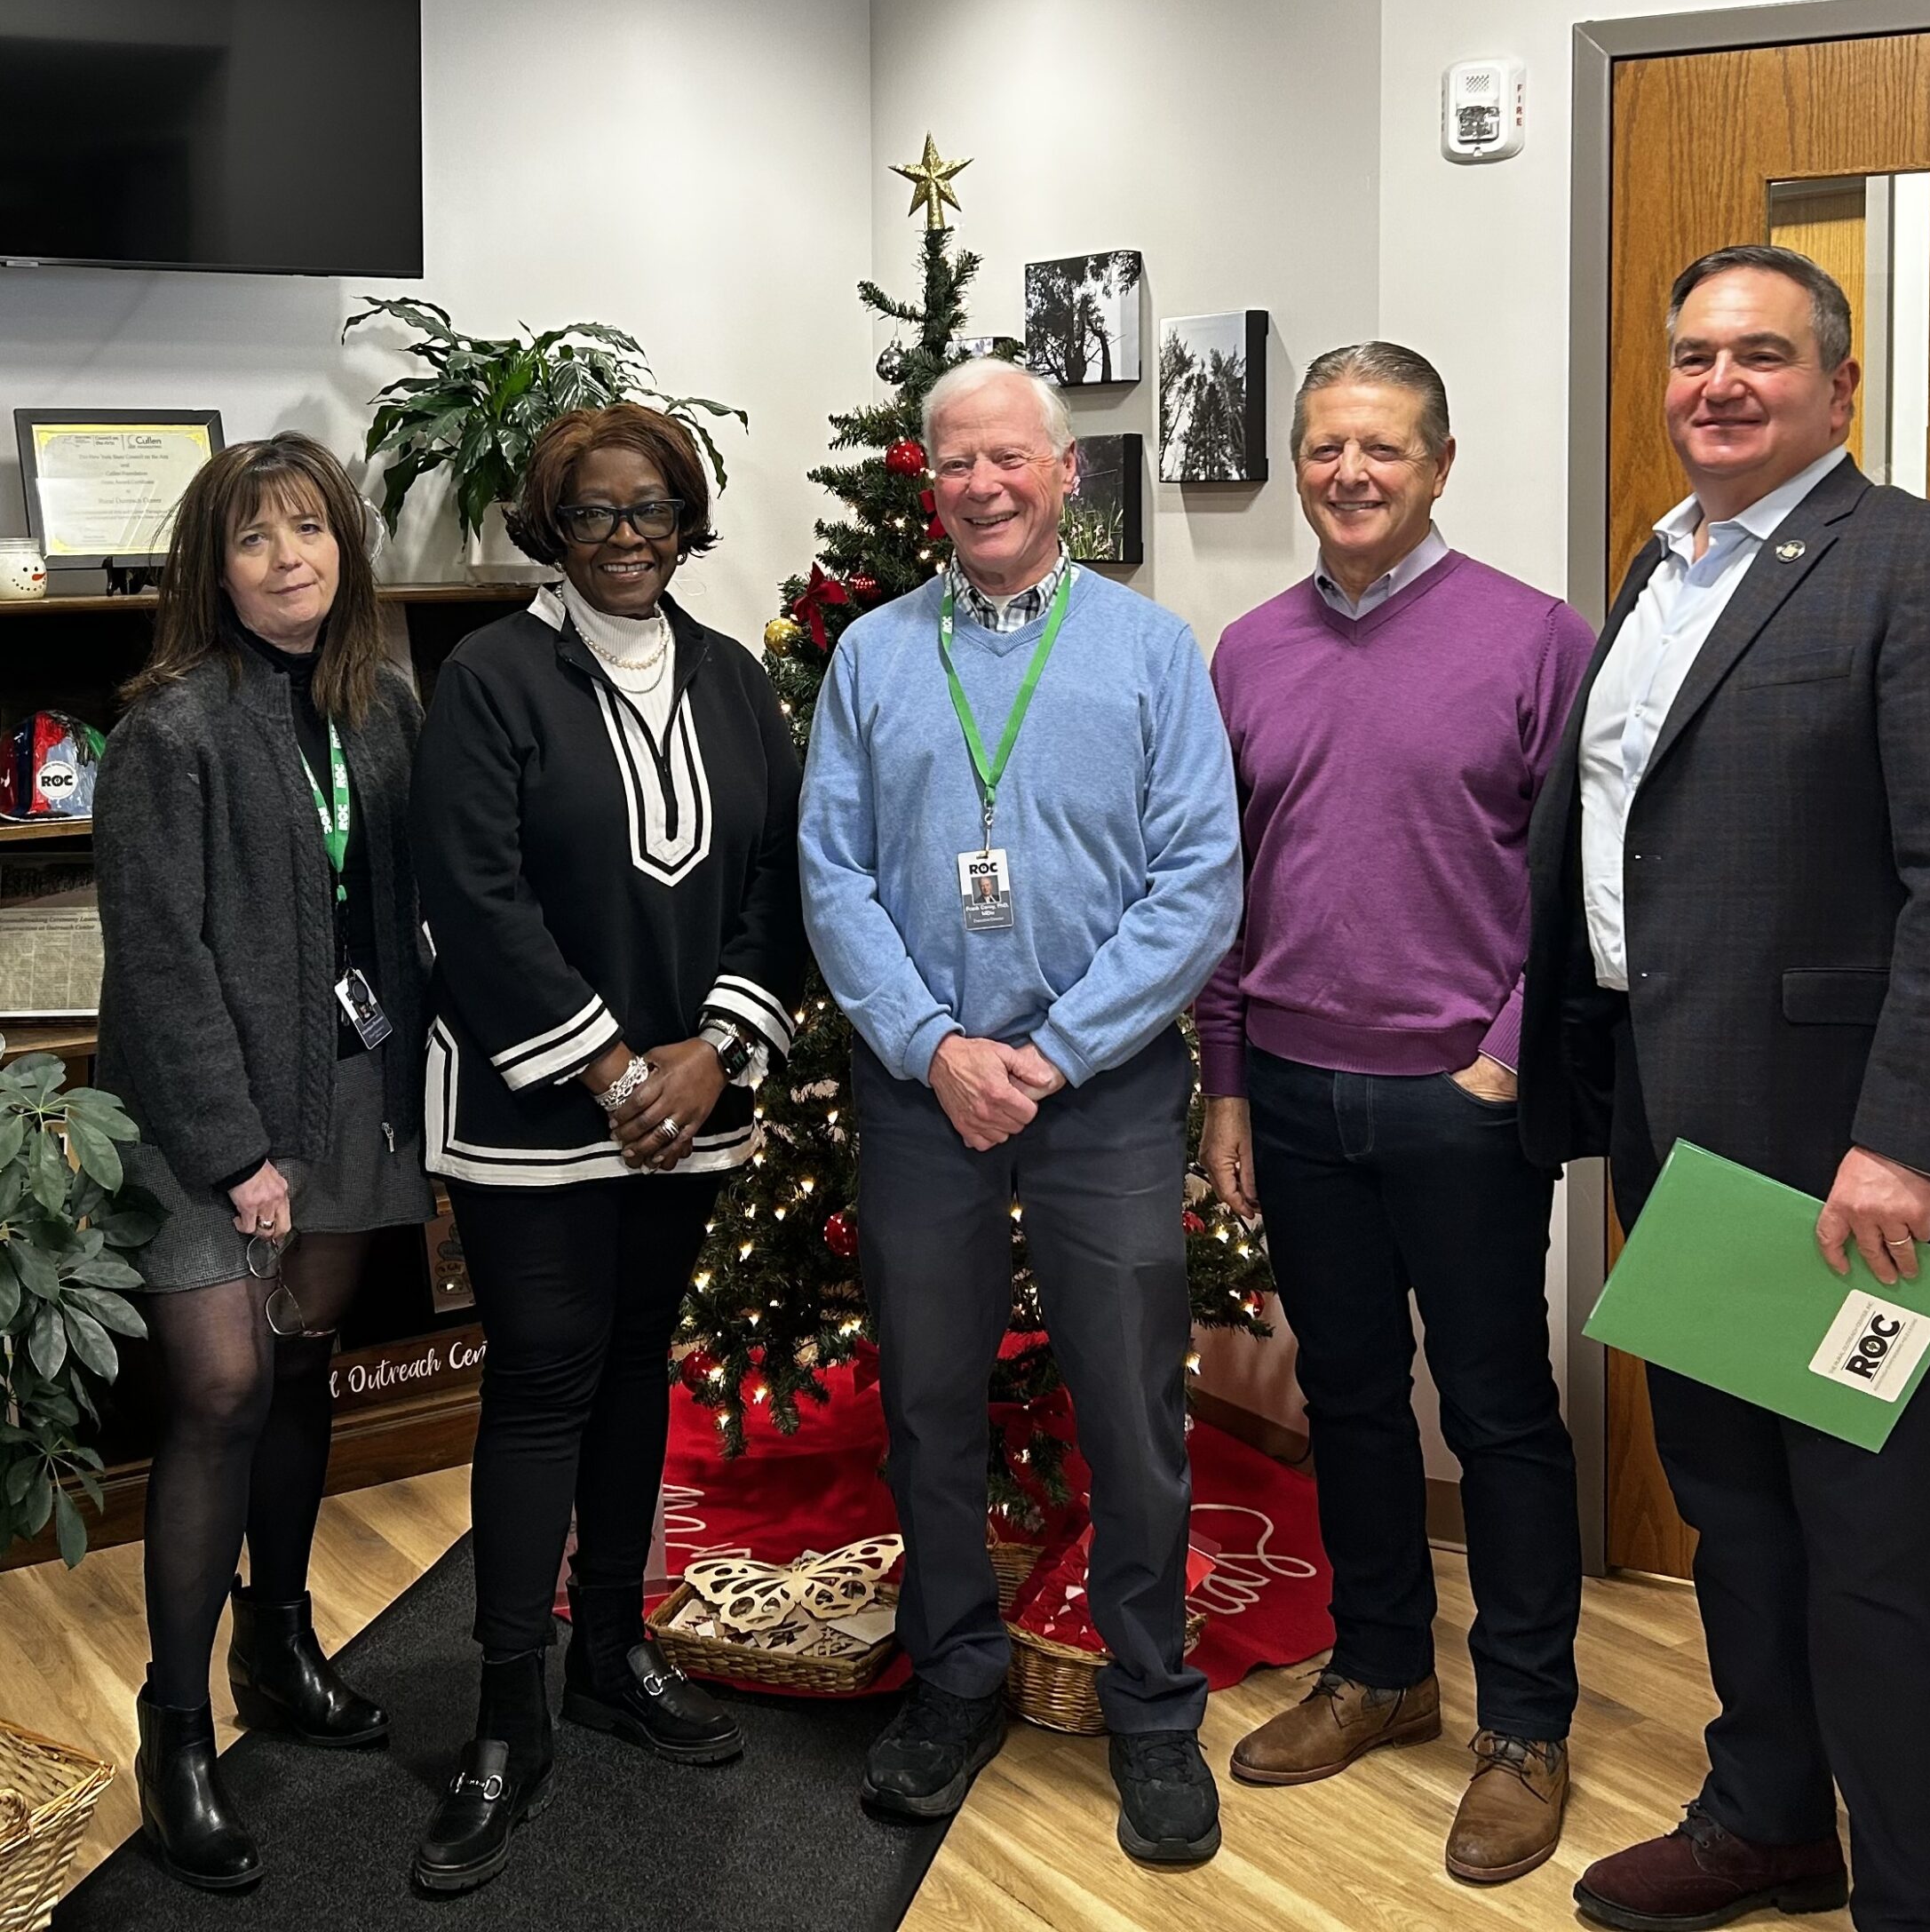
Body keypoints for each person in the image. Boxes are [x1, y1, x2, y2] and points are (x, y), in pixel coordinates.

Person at [1519, 246, 1930, 1932]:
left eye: (1760, 355)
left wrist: (1903, 1144)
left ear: (1836, 386)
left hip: (1853, 1182)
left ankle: (1914, 1905)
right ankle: (1767, 1819)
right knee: (1734, 1524)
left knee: (1875, 1560)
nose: (1716, 384)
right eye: (1691, 356)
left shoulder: (1928, 566)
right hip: (1683, 1146)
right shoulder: (1659, 570)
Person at [798, 358, 1242, 1867]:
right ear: (928, 484)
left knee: (1130, 1407)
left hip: (1100, 1096)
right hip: (922, 1097)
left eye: (1008, 461)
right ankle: (958, 1675)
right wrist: (933, 1046)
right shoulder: (869, 655)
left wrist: (1049, 1054)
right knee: (925, 1402)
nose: (982, 487)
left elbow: (1201, 882)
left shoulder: (1149, 651)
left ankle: (1152, 1705)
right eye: (954, 466)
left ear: (1063, 475)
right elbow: (831, 874)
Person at [1195, 342, 1593, 1884]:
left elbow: (1573, 883)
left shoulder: (1534, 637)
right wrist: (1226, 1078)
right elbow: (1219, 888)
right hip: (1291, 1089)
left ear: (1437, 464)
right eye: (1321, 449)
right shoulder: (1245, 650)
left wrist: (1500, 1054)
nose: (1347, 474)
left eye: (1381, 448)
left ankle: (1527, 1722)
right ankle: (1382, 1672)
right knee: (1348, 1396)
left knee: (1495, 1410)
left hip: (1462, 1097)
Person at [405, 402, 805, 1896]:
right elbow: (475, 891)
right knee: (544, 1381)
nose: (627, 539)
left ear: (686, 519)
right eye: (595, 516)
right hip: (535, 1114)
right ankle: (509, 1703)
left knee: (639, 1368)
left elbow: (780, 874)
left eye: (651, 512)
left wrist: (711, 1052)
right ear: (548, 530)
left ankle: (613, 1655)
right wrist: (610, 1066)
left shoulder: (729, 678)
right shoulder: (491, 677)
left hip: (693, 1102)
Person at [96, 434, 433, 1891]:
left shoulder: (383, 709)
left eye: (310, 528)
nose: (289, 556)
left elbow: (405, 909)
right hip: (203, 1114)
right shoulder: (172, 729)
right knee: (223, 1389)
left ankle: (279, 1644)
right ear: (209, 569)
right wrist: (238, 1152)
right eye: (254, 539)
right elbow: (158, 963)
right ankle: (173, 1730)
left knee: (305, 1367)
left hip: (349, 1088)